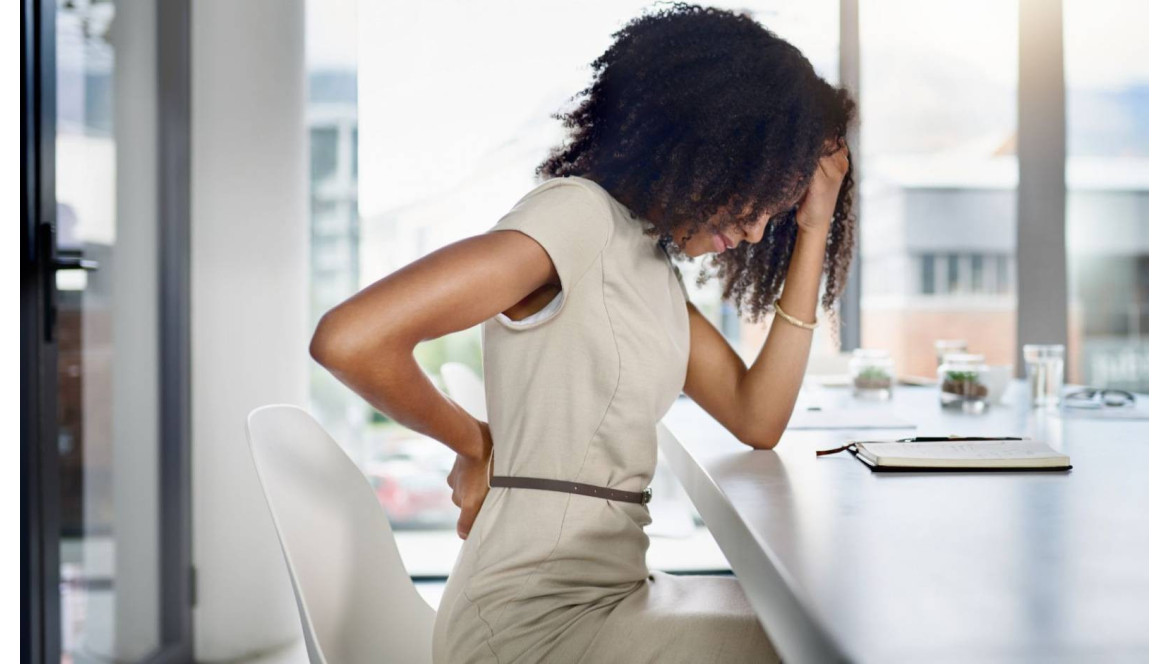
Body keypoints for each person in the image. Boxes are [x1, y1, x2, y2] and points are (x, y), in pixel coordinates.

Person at [309, 3, 856, 662]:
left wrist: (815, 226)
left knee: (816, 626)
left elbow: (756, 415)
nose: (756, 230)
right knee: (821, 642)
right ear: (708, 144)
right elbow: (351, 337)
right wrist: (476, 444)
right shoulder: (576, 217)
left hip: (613, 598)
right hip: (532, 627)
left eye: (777, 209)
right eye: (759, 196)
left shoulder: (646, 263)